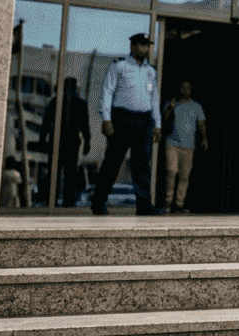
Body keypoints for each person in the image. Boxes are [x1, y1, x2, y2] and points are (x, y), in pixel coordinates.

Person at [90, 33, 161, 216]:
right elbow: (107, 91)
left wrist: (157, 123)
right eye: (142, 45)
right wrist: (106, 119)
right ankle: (98, 202)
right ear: (133, 46)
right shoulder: (119, 65)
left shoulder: (150, 71)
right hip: (122, 118)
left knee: (142, 165)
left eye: (148, 45)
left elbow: (154, 98)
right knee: (113, 162)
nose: (146, 49)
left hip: (144, 120)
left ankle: (144, 205)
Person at [41, 77, 92, 207]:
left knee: (59, 172)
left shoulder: (56, 102)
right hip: (68, 141)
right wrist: (87, 142)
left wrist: (42, 139)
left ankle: (56, 199)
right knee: (67, 172)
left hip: (61, 141)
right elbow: (85, 125)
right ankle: (64, 200)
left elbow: (46, 123)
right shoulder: (76, 103)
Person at [163, 81, 207, 213]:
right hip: (172, 143)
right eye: (183, 88)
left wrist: (204, 138)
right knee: (171, 171)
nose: (185, 90)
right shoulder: (172, 103)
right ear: (179, 89)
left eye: (188, 88)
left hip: (189, 145)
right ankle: (167, 202)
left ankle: (179, 204)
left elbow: (201, 123)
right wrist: (170, 108)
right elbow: (164, 119)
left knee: (184, 175)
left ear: (191, 90)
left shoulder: (196, 106)